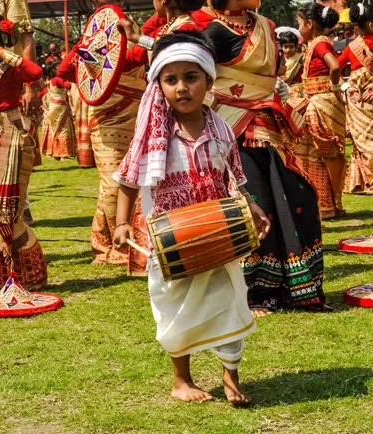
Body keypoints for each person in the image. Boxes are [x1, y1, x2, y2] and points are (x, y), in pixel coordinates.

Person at [113, 31, 270, 405]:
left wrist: (250, 203)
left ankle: (231, 378)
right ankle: (181, 379)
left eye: (191, 77)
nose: (181, 87)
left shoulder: (220, 128)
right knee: (173, 307)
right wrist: (120, 223)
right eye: (171, 80)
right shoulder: (153, 131)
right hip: (170, 242)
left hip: (219, 235)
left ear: (209, 80)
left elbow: (234, 174)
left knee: (230, 302)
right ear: (159, 85)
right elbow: (128, 179)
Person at [195, 0, 328, 313]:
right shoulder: (212, 33)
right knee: (257, 206)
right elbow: (196, 81)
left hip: (271, 130)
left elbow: (271, 80)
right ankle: (250, 291)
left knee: (298, 197)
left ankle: (291, 286)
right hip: (233, 131)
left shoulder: (266, 27)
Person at [57, 0, 147, 273]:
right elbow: (65, 70)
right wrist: (94, 67)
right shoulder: (95, 32)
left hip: (138, 114)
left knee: (137, 180)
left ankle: (134, 242)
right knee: (112, 183)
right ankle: (106, 246)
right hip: (107, 116)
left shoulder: (133, 25)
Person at [0, 11, 47, 290]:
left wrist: (6, 52)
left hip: (8, 141)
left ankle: (30, 274)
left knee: (7, 211)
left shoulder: (7, 67)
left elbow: (36, 72)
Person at [294, 2, 346, 219]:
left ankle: (330, 205)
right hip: (318, 101)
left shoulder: (319, 43)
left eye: (299, 24)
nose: (298, 29)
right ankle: (326, 205)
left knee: (326, 154)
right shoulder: (317, 43)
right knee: (318, 154)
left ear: (309, 23)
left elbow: (334, 66)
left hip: (321, 102)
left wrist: (333, 86)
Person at [118, 0, 207, 69]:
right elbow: (129, 59)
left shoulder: (188, 28)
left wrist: (135, 37)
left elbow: (169, 48)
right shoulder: (163, 31)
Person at [337, 3, 373, 193]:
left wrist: (346, 86)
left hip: (358, 98)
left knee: (362, 139)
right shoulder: (354, 46)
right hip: (364, 98)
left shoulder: (351, 47)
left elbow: (334, 68)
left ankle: (363, 181)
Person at [40, 76, 76, 160]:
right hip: (60, 107)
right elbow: (68, 86)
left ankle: (56, 154)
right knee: (63, 129)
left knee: (55, 129)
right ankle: (63, 154)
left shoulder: (53, 80)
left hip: (55, 106)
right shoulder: (57, 79)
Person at [278, 31, 303, 98]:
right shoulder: (280, 58)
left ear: (296, 46)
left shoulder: (300, 59)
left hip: (298, 88)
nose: (288, 50)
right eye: (285, 47)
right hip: (282, 87)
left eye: (291, 47)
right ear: (281, 46)